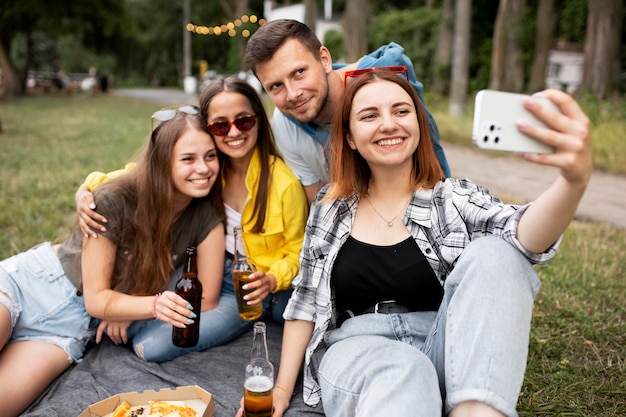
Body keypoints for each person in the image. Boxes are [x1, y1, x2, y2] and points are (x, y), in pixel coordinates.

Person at [265, 69, 592, 417]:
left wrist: (573, 182)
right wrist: (283, 390)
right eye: (369, 115)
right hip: (359, 350)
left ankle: (474, 409)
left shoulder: (451, 198)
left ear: (418, 125)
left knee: (497, 253)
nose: (389, 124)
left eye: (401, 111)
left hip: (444, 344)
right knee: (404, 369)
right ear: (349, 137)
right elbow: (305, 304)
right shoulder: (330, 209)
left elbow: (523, 234)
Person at [0, 109, 223, 416]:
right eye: (188, 158)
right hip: (29, 285)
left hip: (67, 331)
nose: (203, 168)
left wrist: (128, 308)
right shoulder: (115, 199)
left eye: (210, 156)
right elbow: (98, 299)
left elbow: (206, 298)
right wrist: (149, 306)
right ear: (162, 161)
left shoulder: (206, 218)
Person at [75, 77, 309, 329]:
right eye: (220, 126)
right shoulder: (208, 167)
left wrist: (273, 279)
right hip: (202, 264)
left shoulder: (284, 184)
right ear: (207, 129)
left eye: (244, 121)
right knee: (145, 332)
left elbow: (298, 252)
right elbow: (141, 173)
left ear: (259, 122)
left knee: (154, 346)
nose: (233, 132)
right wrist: (88, 187)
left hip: (250, 283)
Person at [244, 18, 451, 204]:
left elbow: (428, 159)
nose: (292, 94)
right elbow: (317, 201)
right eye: (276, 86)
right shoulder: (285, 121)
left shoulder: (383, 83)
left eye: (299, 72)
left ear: (324, 59)